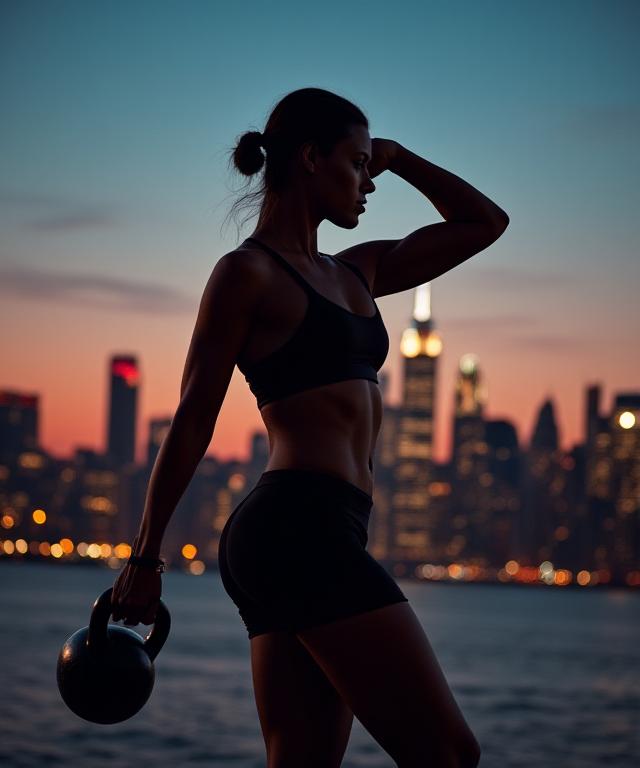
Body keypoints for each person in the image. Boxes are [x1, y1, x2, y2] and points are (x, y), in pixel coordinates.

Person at [111, 87, 509, 767]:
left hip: (324, 532)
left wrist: (399, 156)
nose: (368, 184)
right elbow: (192, 416)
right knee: (448, 752)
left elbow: (484, 223)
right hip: (298, 529)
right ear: (309, 159)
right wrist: (146, 558)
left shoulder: (357, 271)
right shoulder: (247, 274)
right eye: (356, 164)